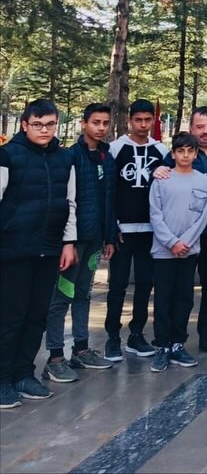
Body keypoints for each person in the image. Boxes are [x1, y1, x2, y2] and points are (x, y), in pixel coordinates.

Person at [0, 99, 78, 409]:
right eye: (37, 124)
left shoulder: (63, 158)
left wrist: (68, 242)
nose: (44, 130)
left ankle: (23, 373)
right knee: (10, 317)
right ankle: (2, 378)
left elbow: (69, 203)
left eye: (49, 124)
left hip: (48, 248)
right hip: (13, 251)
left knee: (36, 316)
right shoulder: (8, 155)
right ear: (24, 125)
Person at [43, 103, 117, 384]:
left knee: (84, 294)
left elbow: (110, 200)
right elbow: (67, 203)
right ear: (83, 124)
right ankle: (55, 357)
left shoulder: (106, 157)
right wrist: (68, 242)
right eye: (95, 122)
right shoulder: (70, 157)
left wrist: (110, 236)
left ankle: (82, 349)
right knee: (61, 297)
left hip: (96, 240)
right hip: (72, 242)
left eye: (105, 122)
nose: (100, 127)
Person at [106, 98, 169, 360]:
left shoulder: (161, 150)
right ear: (130, 121)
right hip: (123, 229)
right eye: (138, 120)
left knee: (145, 283)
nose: (143, 125)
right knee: (118, 285)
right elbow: (108, 190)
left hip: (150, 230)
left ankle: (137, 334)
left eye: (148, 120)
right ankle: (112, 337)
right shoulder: (116, 149)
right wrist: (111, 226)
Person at [148, 132, 207, 373]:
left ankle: (178, 343)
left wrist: (185, 242)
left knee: (184, 298)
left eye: (190, 151)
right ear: (173, 153)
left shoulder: (203, 180)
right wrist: (171, 241)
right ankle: (162, 345)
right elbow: (155, 214)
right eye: (180, 151)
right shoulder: (162, 179)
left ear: (196, 154)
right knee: (163, 298)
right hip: (164, 251)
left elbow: (202, 215)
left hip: (189, 250)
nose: (185, 155)